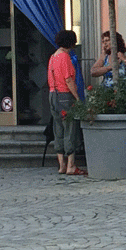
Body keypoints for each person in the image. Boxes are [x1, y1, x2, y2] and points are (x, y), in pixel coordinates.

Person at [48, 30, 84, 176]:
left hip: (52, 95)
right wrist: (77, 97)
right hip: (64, 95)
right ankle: (71, 165)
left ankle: (61, 165)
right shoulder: (65, 57)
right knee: (70, 128)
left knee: (58, 129)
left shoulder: (53, 57)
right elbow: (68, 80)